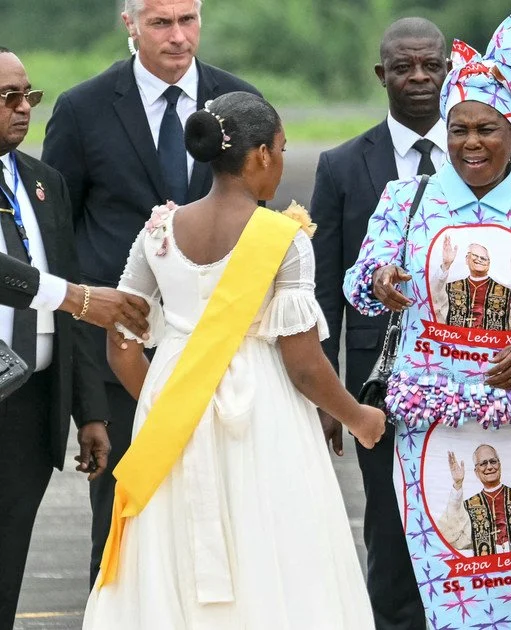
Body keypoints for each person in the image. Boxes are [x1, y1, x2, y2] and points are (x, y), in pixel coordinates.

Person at [81, 91, 383, 628]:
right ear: (261, 155)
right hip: (261, 408)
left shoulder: (158, 231)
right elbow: (304, 364)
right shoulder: (282, 238)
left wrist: (167, 400)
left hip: (174, 404)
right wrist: (358, 417)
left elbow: (122, 341)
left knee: (172, 543)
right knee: (270, 537)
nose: (282, 162)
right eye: (282, 149)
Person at [344, 6, 511, 627]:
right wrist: (381, 279)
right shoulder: (405, 199)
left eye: (487, 129)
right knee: (446, 572)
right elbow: (358, 286)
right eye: (459, 129)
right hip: (435, 426)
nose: (471, 143)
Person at [41, 0, 259, 583]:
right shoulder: (82, 110)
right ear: (129, 24)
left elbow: (257, 227)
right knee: (123, 518)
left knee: (224, 522)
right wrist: (83, 376)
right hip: (119, 356)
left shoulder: (240, 102)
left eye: (188, 20)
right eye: (161, 22)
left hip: (218, 356)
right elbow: (60, 240)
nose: (178, 36)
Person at [309, 17, 448, 627]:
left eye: (431, 66)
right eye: (403, 67)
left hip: (468, 379)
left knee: (462, 524)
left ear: (449, 69)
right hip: (377, 387)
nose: (418, 79)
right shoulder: (341, 166)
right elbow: (321, 288)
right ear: (380, 74)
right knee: (390, 534)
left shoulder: (491, 150)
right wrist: (328, 397)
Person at [0, 47, 145, 630]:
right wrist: (76, 297)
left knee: (10, 555)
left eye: (28, 96)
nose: (23, 109)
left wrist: (89, 412)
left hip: (29, 400)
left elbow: (70, 301)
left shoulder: (43, 183)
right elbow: (63, 293)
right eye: (8, 98)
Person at [436, 443, 511, 555]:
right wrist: (458, 485)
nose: (489, 467)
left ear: (499, 466)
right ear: (476, 472)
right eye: (483, 463)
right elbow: (450, 536)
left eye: (493, 461)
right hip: (488, 575)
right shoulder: (468, 507)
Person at [430, 239, 511, 330]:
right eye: (475, 256)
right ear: (467, 259)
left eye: (484, 258)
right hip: (454, 346)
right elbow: (433, 299)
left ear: (489, 263)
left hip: (491, 346)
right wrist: (446, 265)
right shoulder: (450, 287)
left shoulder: (505, 292)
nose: (479, 260)